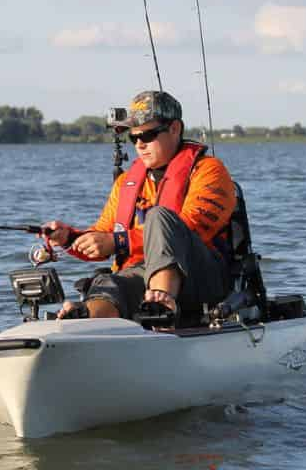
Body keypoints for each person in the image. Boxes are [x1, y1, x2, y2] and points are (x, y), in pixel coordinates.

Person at [46, 90, 236, 326]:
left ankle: (161, 308)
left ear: (175, 129)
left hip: (200, 278)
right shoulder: (126, 183)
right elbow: (104, 235)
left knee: (159, 218)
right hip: (140, 275)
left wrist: (119, 242)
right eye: (133, 138)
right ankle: (83, 318)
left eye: (147, 135)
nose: (140, 145)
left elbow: (192, 227)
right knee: (110, 284)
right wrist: (69, 238)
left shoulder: (209, 171)